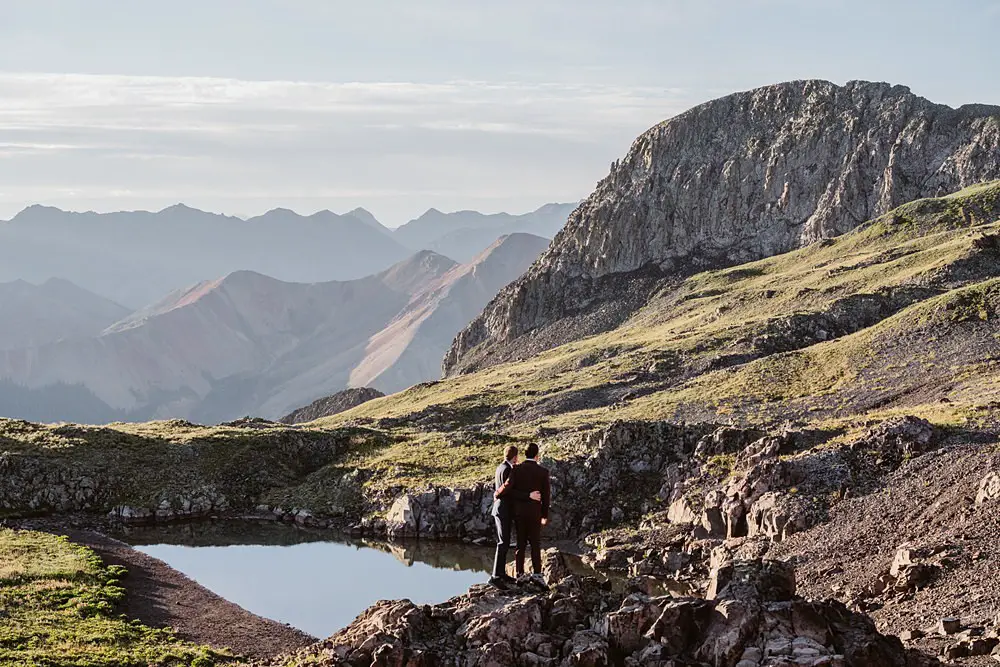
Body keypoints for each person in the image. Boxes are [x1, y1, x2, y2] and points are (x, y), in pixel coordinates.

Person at [489, 445, 541, 588]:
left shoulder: (500, 467)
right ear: (515, 457)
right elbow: (510, 491)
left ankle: (501, 574)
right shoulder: (508, 470)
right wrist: (528, 495)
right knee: (502, 543)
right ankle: (495, 576)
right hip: (503, 510)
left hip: (500, 509)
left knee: (503, 542)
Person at [503, 442, 551, 577]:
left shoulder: (516, 469)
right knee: (535, 544)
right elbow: (546, 496)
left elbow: (510, 490)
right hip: (535, 513)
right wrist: (544, 515)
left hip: (519, 513)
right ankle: (537, 575)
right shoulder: (543, 472)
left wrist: (523, 497)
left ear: (524, 454)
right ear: (537, 455)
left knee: (520, 544)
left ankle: (519, 573)